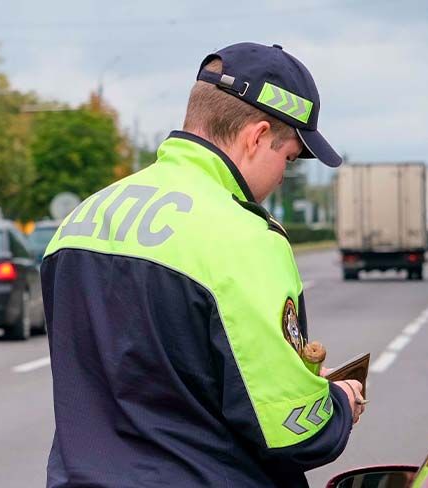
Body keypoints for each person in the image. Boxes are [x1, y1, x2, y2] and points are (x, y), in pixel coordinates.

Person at [41, 42, 364, 487]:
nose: (280, 178)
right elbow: (293, 432)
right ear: (256, 136)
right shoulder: (245, 237)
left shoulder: (82, 220)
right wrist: (338, 402)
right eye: (288, 158)